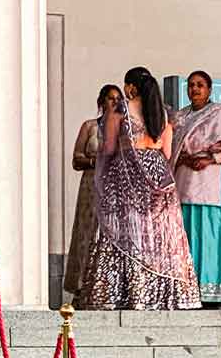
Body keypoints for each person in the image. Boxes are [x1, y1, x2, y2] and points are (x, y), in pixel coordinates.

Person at [77, 66, 200, 310]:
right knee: (159, 234)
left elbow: (110, 149)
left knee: (126, 230)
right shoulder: (162, 115)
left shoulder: (119, 112)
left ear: (131, 87)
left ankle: (124, 293)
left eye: (125, 85)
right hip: (159, 176)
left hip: (127, 174)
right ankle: (163, 294)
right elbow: (166, 152)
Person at [170, 70, 221, 305]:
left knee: (210, 234)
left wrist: (211, 159)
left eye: (200, 85)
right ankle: (185, 289)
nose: (194, 89)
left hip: (211, 184)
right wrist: (182, 158)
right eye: (191, 85)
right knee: (185, 233)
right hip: (183, 181)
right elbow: (170, 151)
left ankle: (213, 290)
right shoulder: (180, 118)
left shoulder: (220, 115)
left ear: (209, 89)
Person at [62, 84, 121, 298]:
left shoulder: (124, 127)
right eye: (110, 98)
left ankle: (107, 287)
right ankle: (82, 285)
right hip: (91, 184)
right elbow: (76, 159)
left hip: (114, 186)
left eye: (118, 99)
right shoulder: (90, 126)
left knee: (110, 233)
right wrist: (95, 160)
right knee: (87, 231)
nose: (114, 103)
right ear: (101, 101)